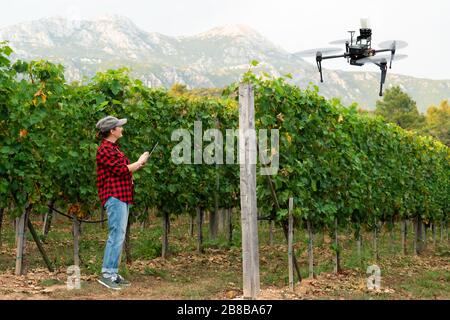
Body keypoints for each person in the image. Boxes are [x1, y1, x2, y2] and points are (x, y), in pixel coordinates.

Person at [95, 115, 149, 290]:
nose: (122, 128)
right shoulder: (105, 150)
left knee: (119, 234)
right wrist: (139, 161)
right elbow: (120, 170)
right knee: (116, 234)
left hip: (122, 195)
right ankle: (106, 274)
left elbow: (125, 170)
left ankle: (112, 271)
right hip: (114, 196)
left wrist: (139, 164)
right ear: (112, 130)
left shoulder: (114, 148)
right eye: (119, 126)